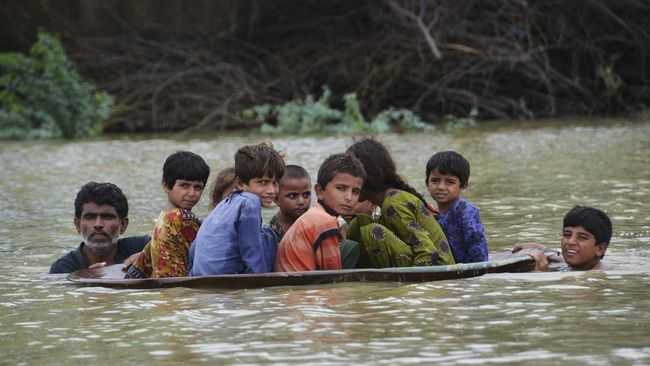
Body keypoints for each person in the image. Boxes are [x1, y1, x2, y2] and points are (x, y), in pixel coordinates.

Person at [346, 138, 455, 268]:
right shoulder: (384, 202)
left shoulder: (394, 203)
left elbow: (427, 253)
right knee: (359, 224)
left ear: (367, 176)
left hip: (437, 267)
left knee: (372, 231)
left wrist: (410, 287)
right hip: (423, 263)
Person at [189, 142, 285, 275]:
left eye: (275, 183)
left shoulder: (223, 205)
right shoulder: (251, 202)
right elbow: (252, 253)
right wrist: (262, 286)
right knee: (269, 236)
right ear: (240, 183)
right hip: (225, 279)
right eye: (263, 183)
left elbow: (195, 247)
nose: (271, 190)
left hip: (200, 277)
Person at [125, 151, 210, 278]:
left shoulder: (166, 219)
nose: (192, 193)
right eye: (184, 186)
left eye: (197, 187)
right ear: (166, 185)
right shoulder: (174, 218)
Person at [275, 153, 365, 272]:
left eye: (355, 191)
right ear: (319, 191)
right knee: (352, 248)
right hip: (300, 288)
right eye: (341, 188)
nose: (349, 197)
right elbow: (333, 277)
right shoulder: (324, 222)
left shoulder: (315, 215)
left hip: (293, 286)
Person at [49, 182, 150, 274]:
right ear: (77, 224)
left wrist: (148, 259)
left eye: (107, 217)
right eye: (90, 217)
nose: (98, 224)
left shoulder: (144, 248)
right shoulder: (62, 270)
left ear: (123, 224)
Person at [425, 151, 488, 263]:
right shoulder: (430, 214)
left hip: (468, 270)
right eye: (435, 180)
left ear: (463, 185)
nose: (441, 187)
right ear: (427, 183)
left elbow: (478, 249)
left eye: (449, 182)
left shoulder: (466, 211)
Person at [513, 205, 613, 271]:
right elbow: (561, 259)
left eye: (582, 237)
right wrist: (539, 248)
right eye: (567, 234)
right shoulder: (579, 265)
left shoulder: (593, 278)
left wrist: (541, 274)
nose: (571, 242)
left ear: (600, 249)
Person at [268, 164, 312, 240]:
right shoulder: (272, 235)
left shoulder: (313, 224)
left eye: (306, 195)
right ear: (276, 199)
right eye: (292, 196)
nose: (301, 201)